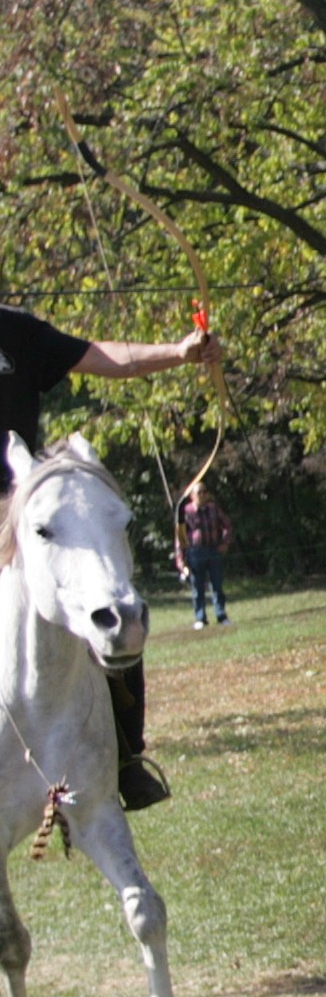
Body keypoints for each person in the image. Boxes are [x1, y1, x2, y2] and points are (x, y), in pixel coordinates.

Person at [0, 306, 217, 808]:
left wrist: (178, 353)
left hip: (24, 513)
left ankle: (123, 757)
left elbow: (102, 355)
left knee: (111, 600)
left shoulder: (16, 331)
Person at [174, 479, 233, 628]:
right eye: (198, 492)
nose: (202, 495)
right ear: (192, 495)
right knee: (197, 588)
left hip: (214, 550)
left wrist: (225, 543)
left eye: (204, 492)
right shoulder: (185, 512)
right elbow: (180, 538)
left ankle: (221, 616)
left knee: (217, 586)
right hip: (195, 553)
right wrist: (181, 561)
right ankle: (200, 618)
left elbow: (227, 525)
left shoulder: (214, 509)